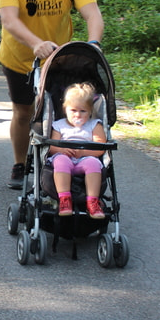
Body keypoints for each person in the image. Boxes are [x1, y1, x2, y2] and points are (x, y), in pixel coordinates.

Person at [0, 0, 105, 189]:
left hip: (60, 60)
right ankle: (19, 163)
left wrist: (93, 45)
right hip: (18, 57)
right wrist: (36, 43)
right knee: (24, 113)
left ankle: (61, 165)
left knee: (63, 111)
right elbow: (9, 20)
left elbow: (92, 13)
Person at [48, 83, 107, 219]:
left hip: (85, 159)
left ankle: (92, 201)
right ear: (65, 109)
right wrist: (62, 149)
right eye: (73, 110)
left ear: (90, 111)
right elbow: (51, 147)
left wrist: (83, 152)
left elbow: (100, 146)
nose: (78, 115)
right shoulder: (59, 125)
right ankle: (64, 199)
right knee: (60, 160)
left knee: (93, 163)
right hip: (65, 158)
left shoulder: (94, 125)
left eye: (83, 111)